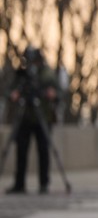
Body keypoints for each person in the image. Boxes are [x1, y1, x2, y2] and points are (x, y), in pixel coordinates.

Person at [6, 47, 59, 195]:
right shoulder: (21, 75)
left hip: (42, 115)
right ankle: (19, 184)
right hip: (25, 117)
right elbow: (9, 91)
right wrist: (14, 94)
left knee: (43, 150)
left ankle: (44, 183)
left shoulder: (47, 74)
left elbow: (57, 92)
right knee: (21, 150)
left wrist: (51, 94)